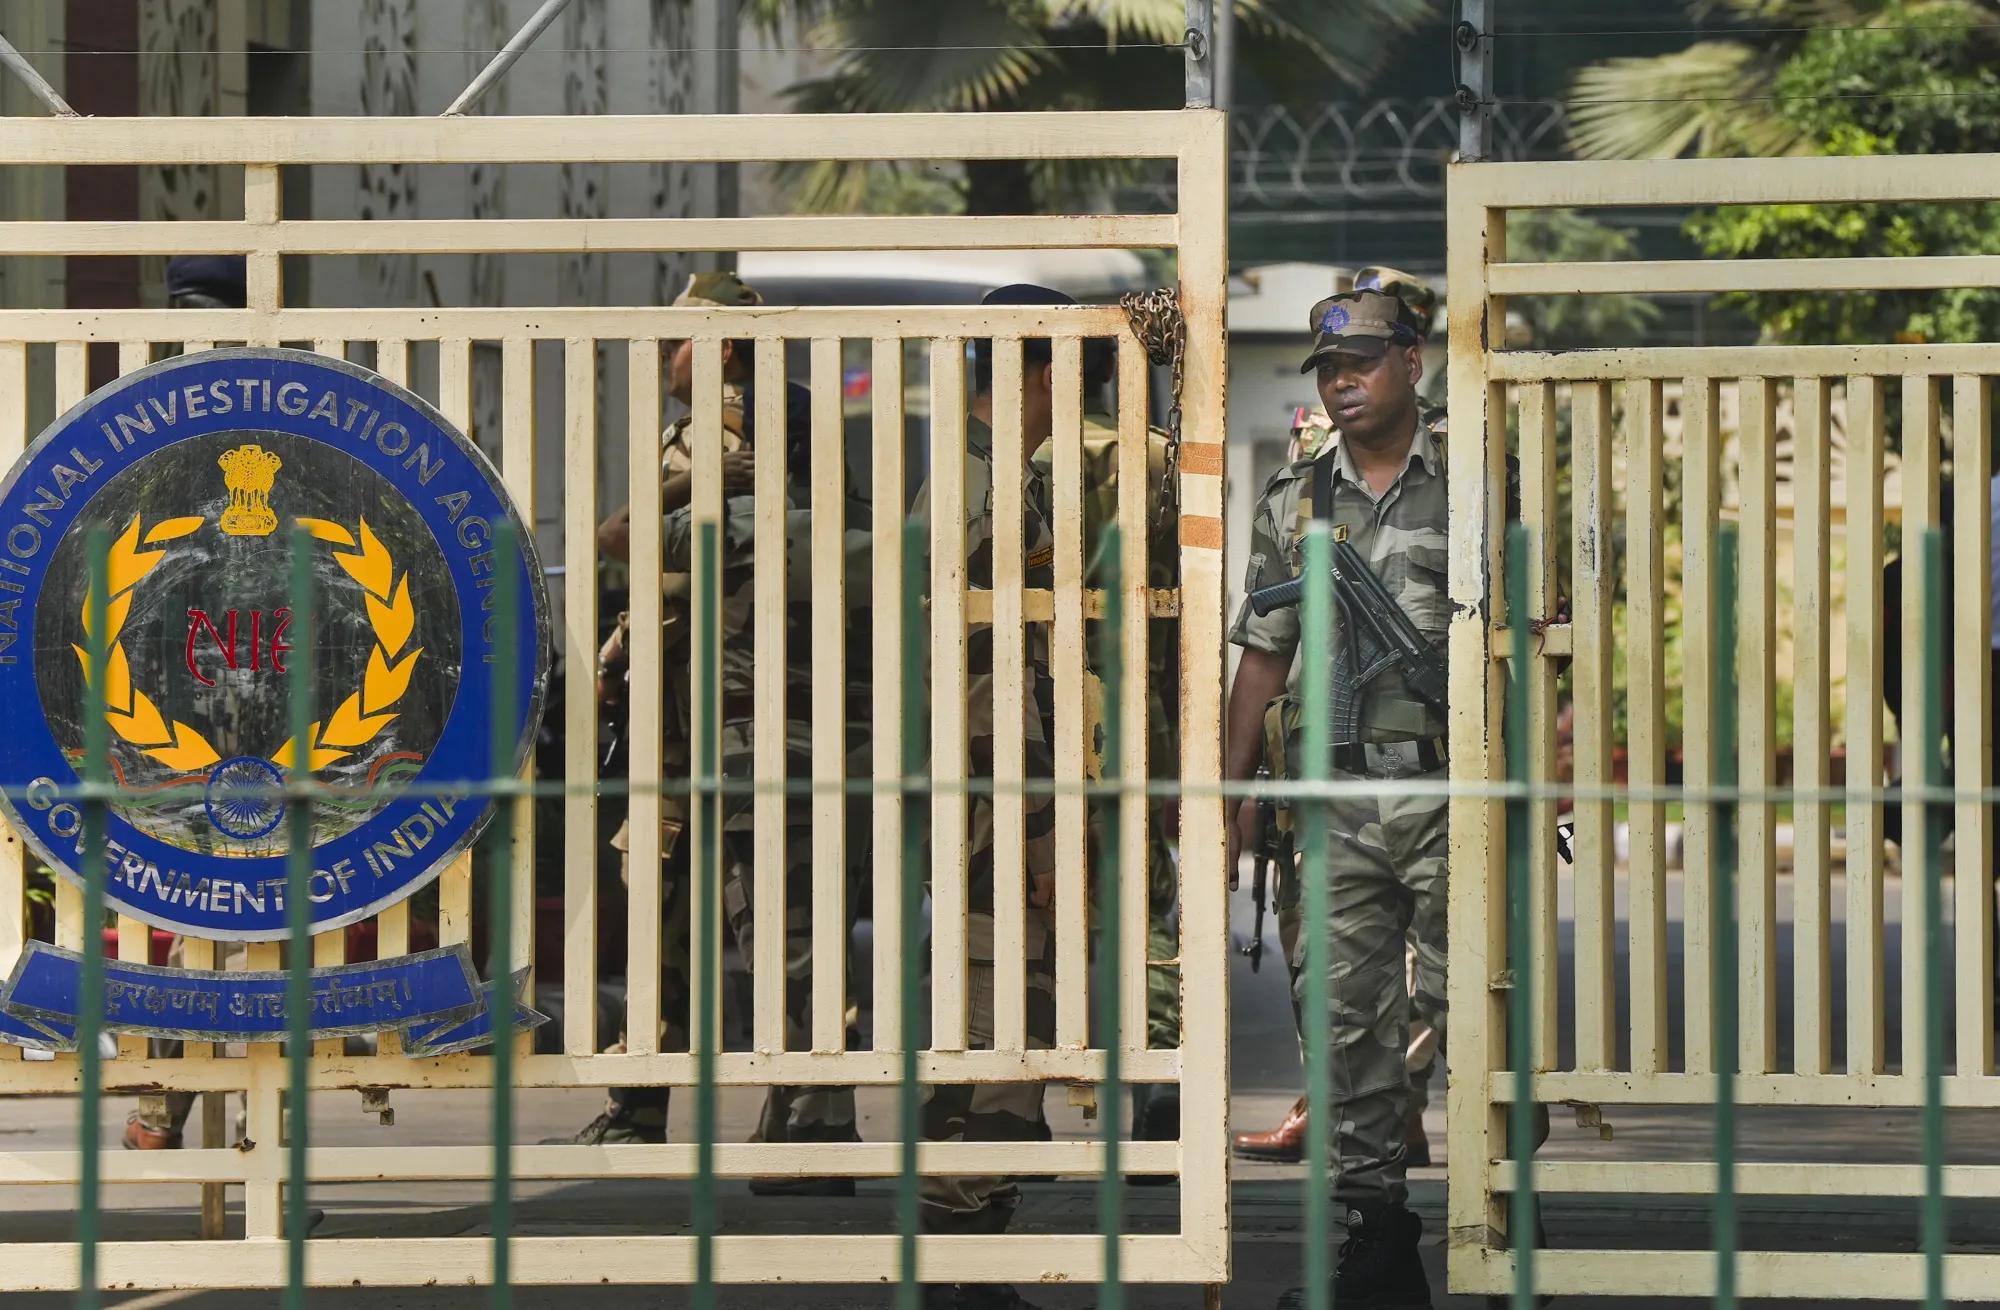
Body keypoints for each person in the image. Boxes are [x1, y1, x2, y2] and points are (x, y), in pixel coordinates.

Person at [556, 273, 872, 1194]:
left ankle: (814, 1128)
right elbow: (644, 545)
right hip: (689, 721)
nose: (662, 356)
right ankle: (643, 1107)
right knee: (668, 922)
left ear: (724, 346)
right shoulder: (702, 436)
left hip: (763, 716)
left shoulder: (767, 423)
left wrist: (681, 500)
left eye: (677, 340)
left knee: (785, 918)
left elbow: (661, 542)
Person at [1225, 281, 1464, 1310]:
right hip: (1329, 797)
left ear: (1411, 359)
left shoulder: (1469, 481)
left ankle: (1507, 1206)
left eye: (1359, 360)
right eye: (1326, 367)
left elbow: (1537, 636)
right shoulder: (1295, 498)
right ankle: (1374, 1242)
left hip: (1456, 790)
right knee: (1343, 1022)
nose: (1340, 380)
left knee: (1479, 1011)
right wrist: (1228, 789)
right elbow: (1261, 656)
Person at [913, 283, 1068, 1310]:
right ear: (1036, 369)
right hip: (994, 791)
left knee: (991, 1010)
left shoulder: (977, 472)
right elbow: (984, 667)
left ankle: (965, 1240)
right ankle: (962, 1241)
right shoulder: (985, 483)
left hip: (986, 785)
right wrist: (1036, 816)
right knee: (996, 1010)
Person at [1029, 346, 1183, 1148]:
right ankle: (1159, 1067)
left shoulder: (1030, 454)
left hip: (1044, 690)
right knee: (1142, 880)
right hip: (1133, 690)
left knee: (1031, 877)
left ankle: (1012, 1080)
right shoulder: (1153, 451)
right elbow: (1181, 585)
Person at [124, 255, 251, 1152]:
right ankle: (246, 1146)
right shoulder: (288, 397)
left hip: (186, 703)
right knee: (234, 927)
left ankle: (174, 1113)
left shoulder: (143, 417)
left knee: (208, 918)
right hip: (205, 703)